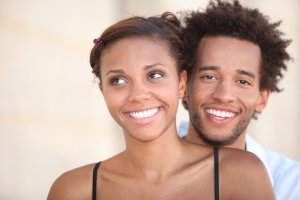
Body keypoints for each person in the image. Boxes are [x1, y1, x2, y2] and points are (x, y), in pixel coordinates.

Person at [47, 12, 275, 200]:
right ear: (103, 92)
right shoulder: (74, 190)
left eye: (154, 75)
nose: (138, 95)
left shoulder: (240, 174)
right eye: (118, 80)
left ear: (182, 84)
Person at [179, 0, 300, 199]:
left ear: (262, 98)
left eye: (242, 81)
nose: (224, 95)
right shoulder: (140, 171)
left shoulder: (293, 185)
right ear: (184, 86)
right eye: (209, 76)